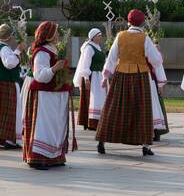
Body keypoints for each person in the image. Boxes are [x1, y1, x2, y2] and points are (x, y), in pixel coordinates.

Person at [96, 9, 165, 156]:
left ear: (128, 22)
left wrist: (105, 76)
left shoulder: (120, 36)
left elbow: (112, 58)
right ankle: (145, 145)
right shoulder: (144, 38)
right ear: (143, 23)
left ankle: (102, 141)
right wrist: (160, 79)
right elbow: (156, 60)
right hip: (140, 77)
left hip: (121, 75)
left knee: (113, 107)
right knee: (142, 110)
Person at [23, 22, 74, 170]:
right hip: (44, 95)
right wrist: (54, 68)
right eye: (56, 33)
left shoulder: (55, 49)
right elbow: (40, 76)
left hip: (56, 94)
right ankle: (37, 158)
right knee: (44, 124)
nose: (58, 35)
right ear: (49, 35)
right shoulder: (41, 52)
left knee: (56, 124)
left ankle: (54, 156)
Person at [73, 29, 107, 153]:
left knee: (98, 99)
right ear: (92, 37)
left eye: (101, 35)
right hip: (91, 76)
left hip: (98, 76)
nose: (100, 37)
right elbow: (85, 64)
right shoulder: (89, 48)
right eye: (99, 35)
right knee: (92, 99)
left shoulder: (97, 47)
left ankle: (96, 120)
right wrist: (86, 78)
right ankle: (90, 122)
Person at [0, 24, 25, 150]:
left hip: (4, 82)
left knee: (4, 112)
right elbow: (9, 64)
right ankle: (10, 140)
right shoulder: (4, 48)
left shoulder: (4, 48)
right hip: (7, 84)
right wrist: (18, 51)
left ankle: (6, 138)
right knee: (11, 112)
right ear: (8, 36)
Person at [148, 43, 169, 142]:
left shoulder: (156, 57)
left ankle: (157, 132)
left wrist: (160, 85)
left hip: (154, 82)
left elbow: (158, 67)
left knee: (157, 107)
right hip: (149, 80)